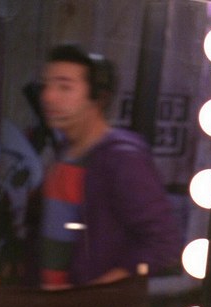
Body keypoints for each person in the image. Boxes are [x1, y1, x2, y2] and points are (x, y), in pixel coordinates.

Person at [33, 44, 181, 288]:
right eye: (46, 85)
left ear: (98, 96)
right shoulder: (63, 153)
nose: (48, 96)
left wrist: (95, 293)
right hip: (49, 302)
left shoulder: (122, 159)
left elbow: (163, 244)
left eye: (64, 87)